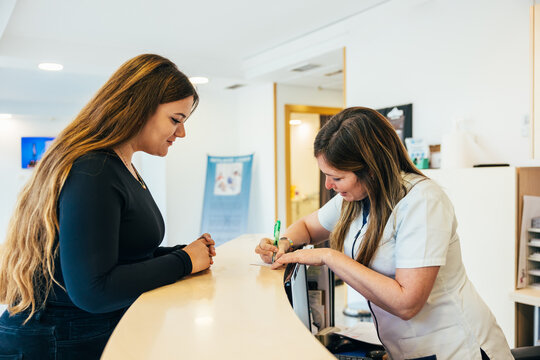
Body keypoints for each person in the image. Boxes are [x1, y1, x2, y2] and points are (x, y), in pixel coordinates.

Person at [0, 54, 216, 359]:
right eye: (176, 120)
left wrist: (182, 253)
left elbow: (119, 255)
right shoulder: (94, 169)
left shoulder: (120, 165)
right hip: (55, 342)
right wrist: (183, 261)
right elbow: (94, 290)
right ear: (138, 110)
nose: (181, 133)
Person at [255, 107, 512, 360]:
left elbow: (407, 303)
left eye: (336, 177)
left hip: (455, 348)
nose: (328, 186)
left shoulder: (422, 201)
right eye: (325, 175)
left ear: (370, 170)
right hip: (406, 346)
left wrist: (330, 257)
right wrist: (284, 243)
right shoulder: (353, 199)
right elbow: (307, 228)